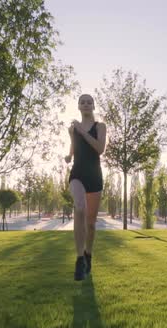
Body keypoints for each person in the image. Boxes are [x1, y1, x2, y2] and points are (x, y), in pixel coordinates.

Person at [65, 94, 107, 281]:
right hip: (77, 173)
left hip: (94, 176)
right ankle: (79, 259)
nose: (86, 104)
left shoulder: (100, 127)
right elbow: (74, 148)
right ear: (79, 107)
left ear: (93, 106)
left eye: (89, 102)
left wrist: (82, 131)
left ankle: (88, 254)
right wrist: (69, 156)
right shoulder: (73, 129)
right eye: (83, 102)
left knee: (90, 224)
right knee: (79, 207)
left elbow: (100, 149)